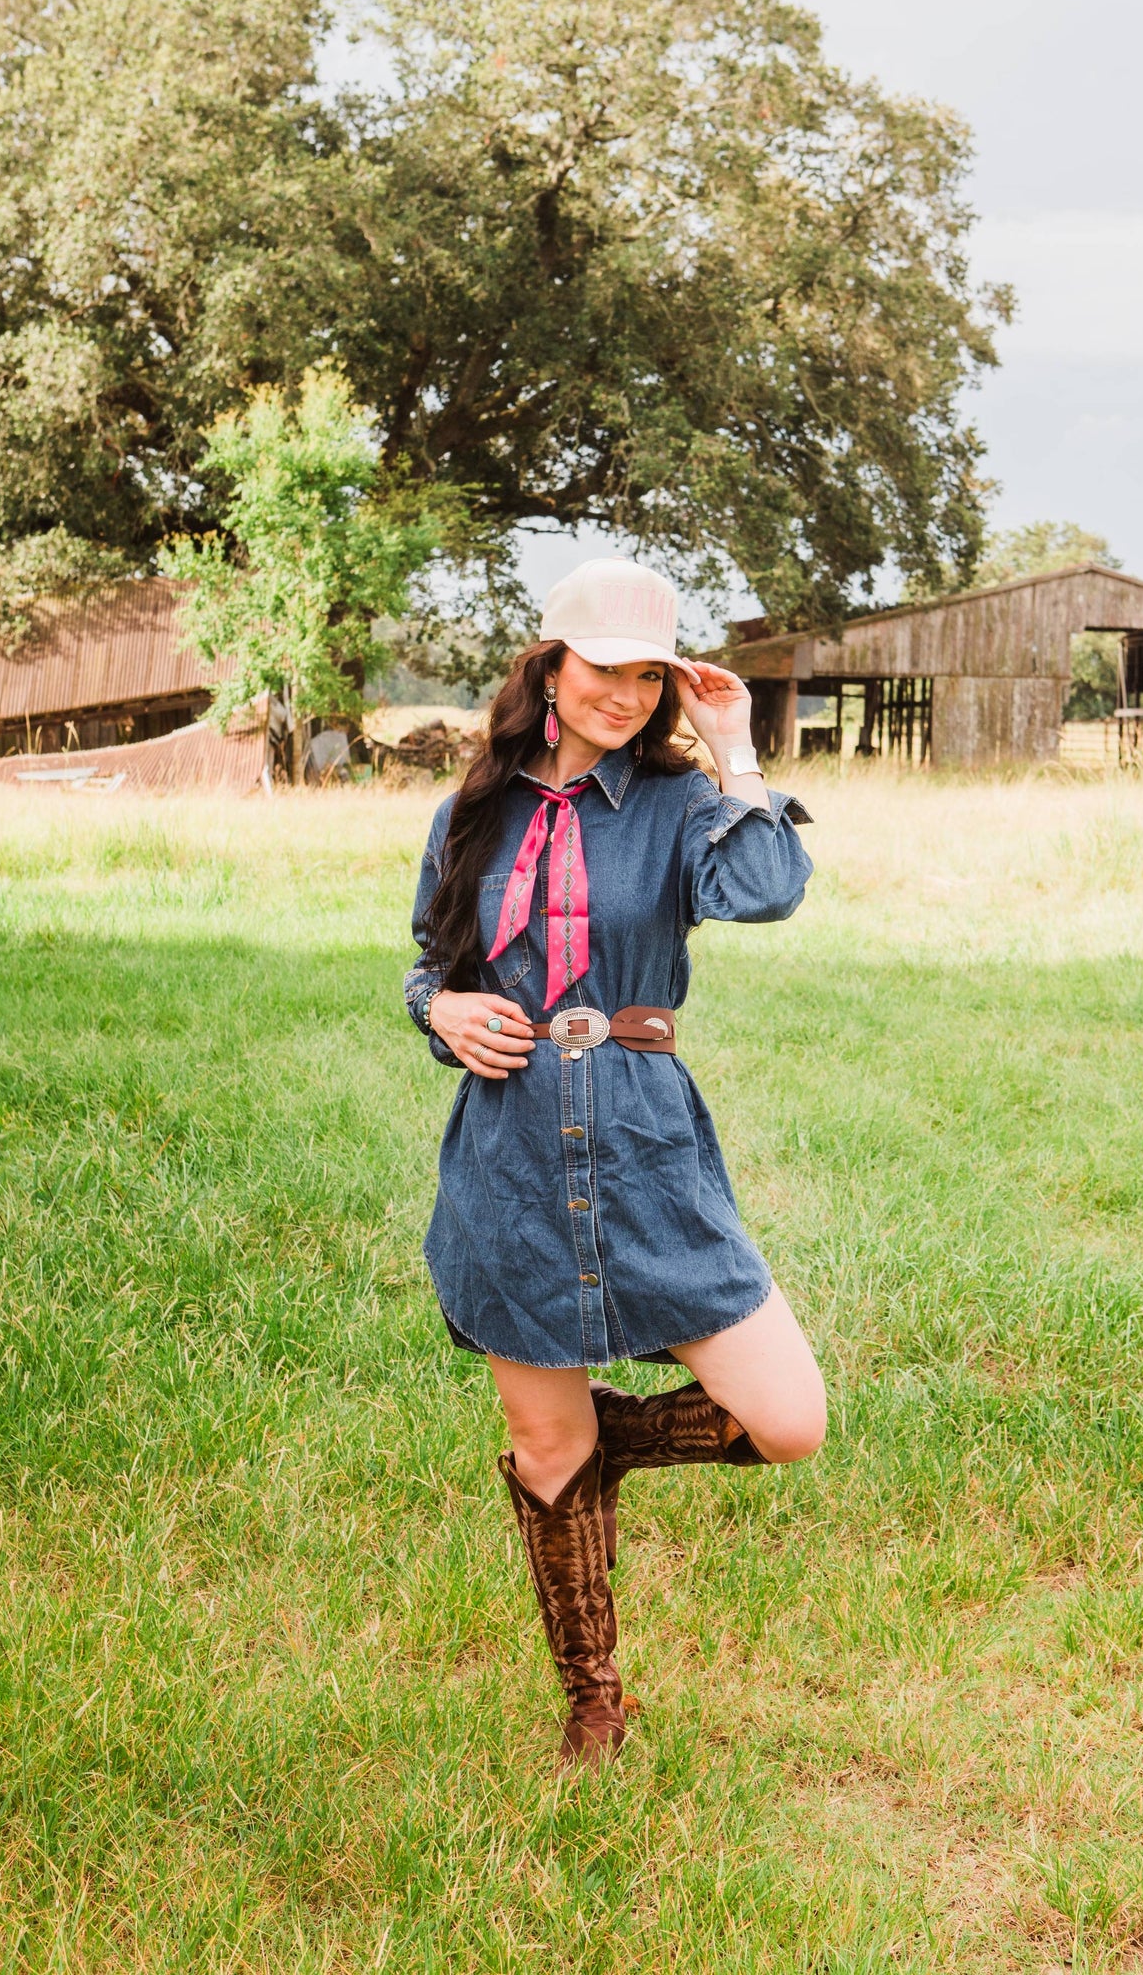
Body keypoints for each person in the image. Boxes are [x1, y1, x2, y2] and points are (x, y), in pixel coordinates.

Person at [403, 557, 826, 1769]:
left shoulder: (679, 802)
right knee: (544, 1452)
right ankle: (593, 1694)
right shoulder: (469, 809)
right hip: (510, 1149)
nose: (627, 694)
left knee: (785, 1417)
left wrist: (732, 742)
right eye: (606, 668)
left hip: (642, 1135)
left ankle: (594, 1438)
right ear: (550, 664)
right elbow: (426, 965)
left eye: (650, 674)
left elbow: (763, 891)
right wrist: (440, 1014)